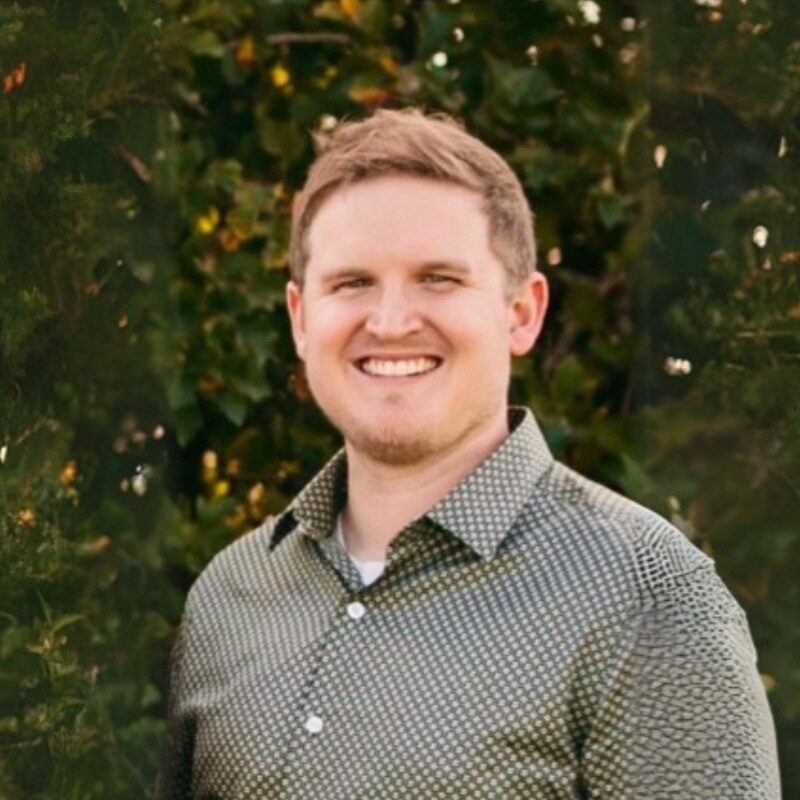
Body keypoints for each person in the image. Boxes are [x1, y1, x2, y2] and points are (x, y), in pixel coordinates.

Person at [154, 107, 781, 799]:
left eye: (439, 278)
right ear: (302, 318)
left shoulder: (648, 597)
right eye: (353, 282)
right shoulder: (229, 597)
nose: (390, 322)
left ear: (522, 313)